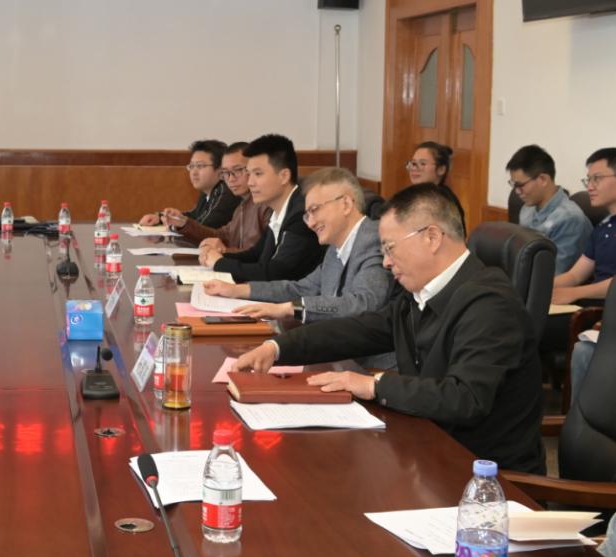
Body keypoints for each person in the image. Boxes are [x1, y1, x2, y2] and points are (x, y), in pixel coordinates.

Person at [233, 184, 546, 474]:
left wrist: (374, 386)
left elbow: (464, 398)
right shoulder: (420, 294)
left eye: (390, 247)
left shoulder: (491, 305)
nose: (385, 261)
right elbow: (359, 330)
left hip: (483, 478)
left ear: (432, 237)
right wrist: (278, 348)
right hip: (427, 449)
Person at [198, 168, 393, 327]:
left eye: (315, 210)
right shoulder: (335, 249)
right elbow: (301, 288)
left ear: (346, 204)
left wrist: (291, 309)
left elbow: (363, 303)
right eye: (307, 215)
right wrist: (237, 290)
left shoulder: (375, 240)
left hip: (366, 360)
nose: (311, 223)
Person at [197, 134, 324, 283]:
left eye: (258, 174)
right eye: (249, 173)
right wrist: (217, 256)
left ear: (284, 176)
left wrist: (220, 263)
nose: (250, 182)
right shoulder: (279, 210)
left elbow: (274, 274)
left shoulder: (301, 214)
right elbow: (256, 255)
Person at [506, 144, 591, 275]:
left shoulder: (570, 219)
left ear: (543, 179)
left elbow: (555, 273)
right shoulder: (527, 209)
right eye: (513, 185)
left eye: (520, 185)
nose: (517, 192)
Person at [552, 148, 616, 307]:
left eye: (597, 178)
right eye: (588, 180)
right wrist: (539, 286)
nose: (590, 187)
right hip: (592, 305)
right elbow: (575, 276)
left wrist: (574, 293)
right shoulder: (603, 227)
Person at [181, 141, 271, 250]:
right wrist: (183, 223)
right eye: (226, 173)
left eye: (237, 170)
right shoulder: (243, 205)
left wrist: (224, 251)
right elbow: (222, 236)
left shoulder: (268, 204)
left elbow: (264, 255)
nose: (231, 179)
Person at [138, 139, 239, 234]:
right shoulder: (208, 190)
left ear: (220, 170)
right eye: (192, 166)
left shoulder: (225, 192)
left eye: (200, 166)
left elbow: (204, 227)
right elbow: (195, 215)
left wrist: (174, 225)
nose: (194, 172)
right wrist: (161, 218)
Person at [405, 141, 466, 231]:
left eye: (422, 164)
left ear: (441, 169)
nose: (414, 168)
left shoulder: (442, 201)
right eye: (413, 163)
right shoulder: (413, 195)